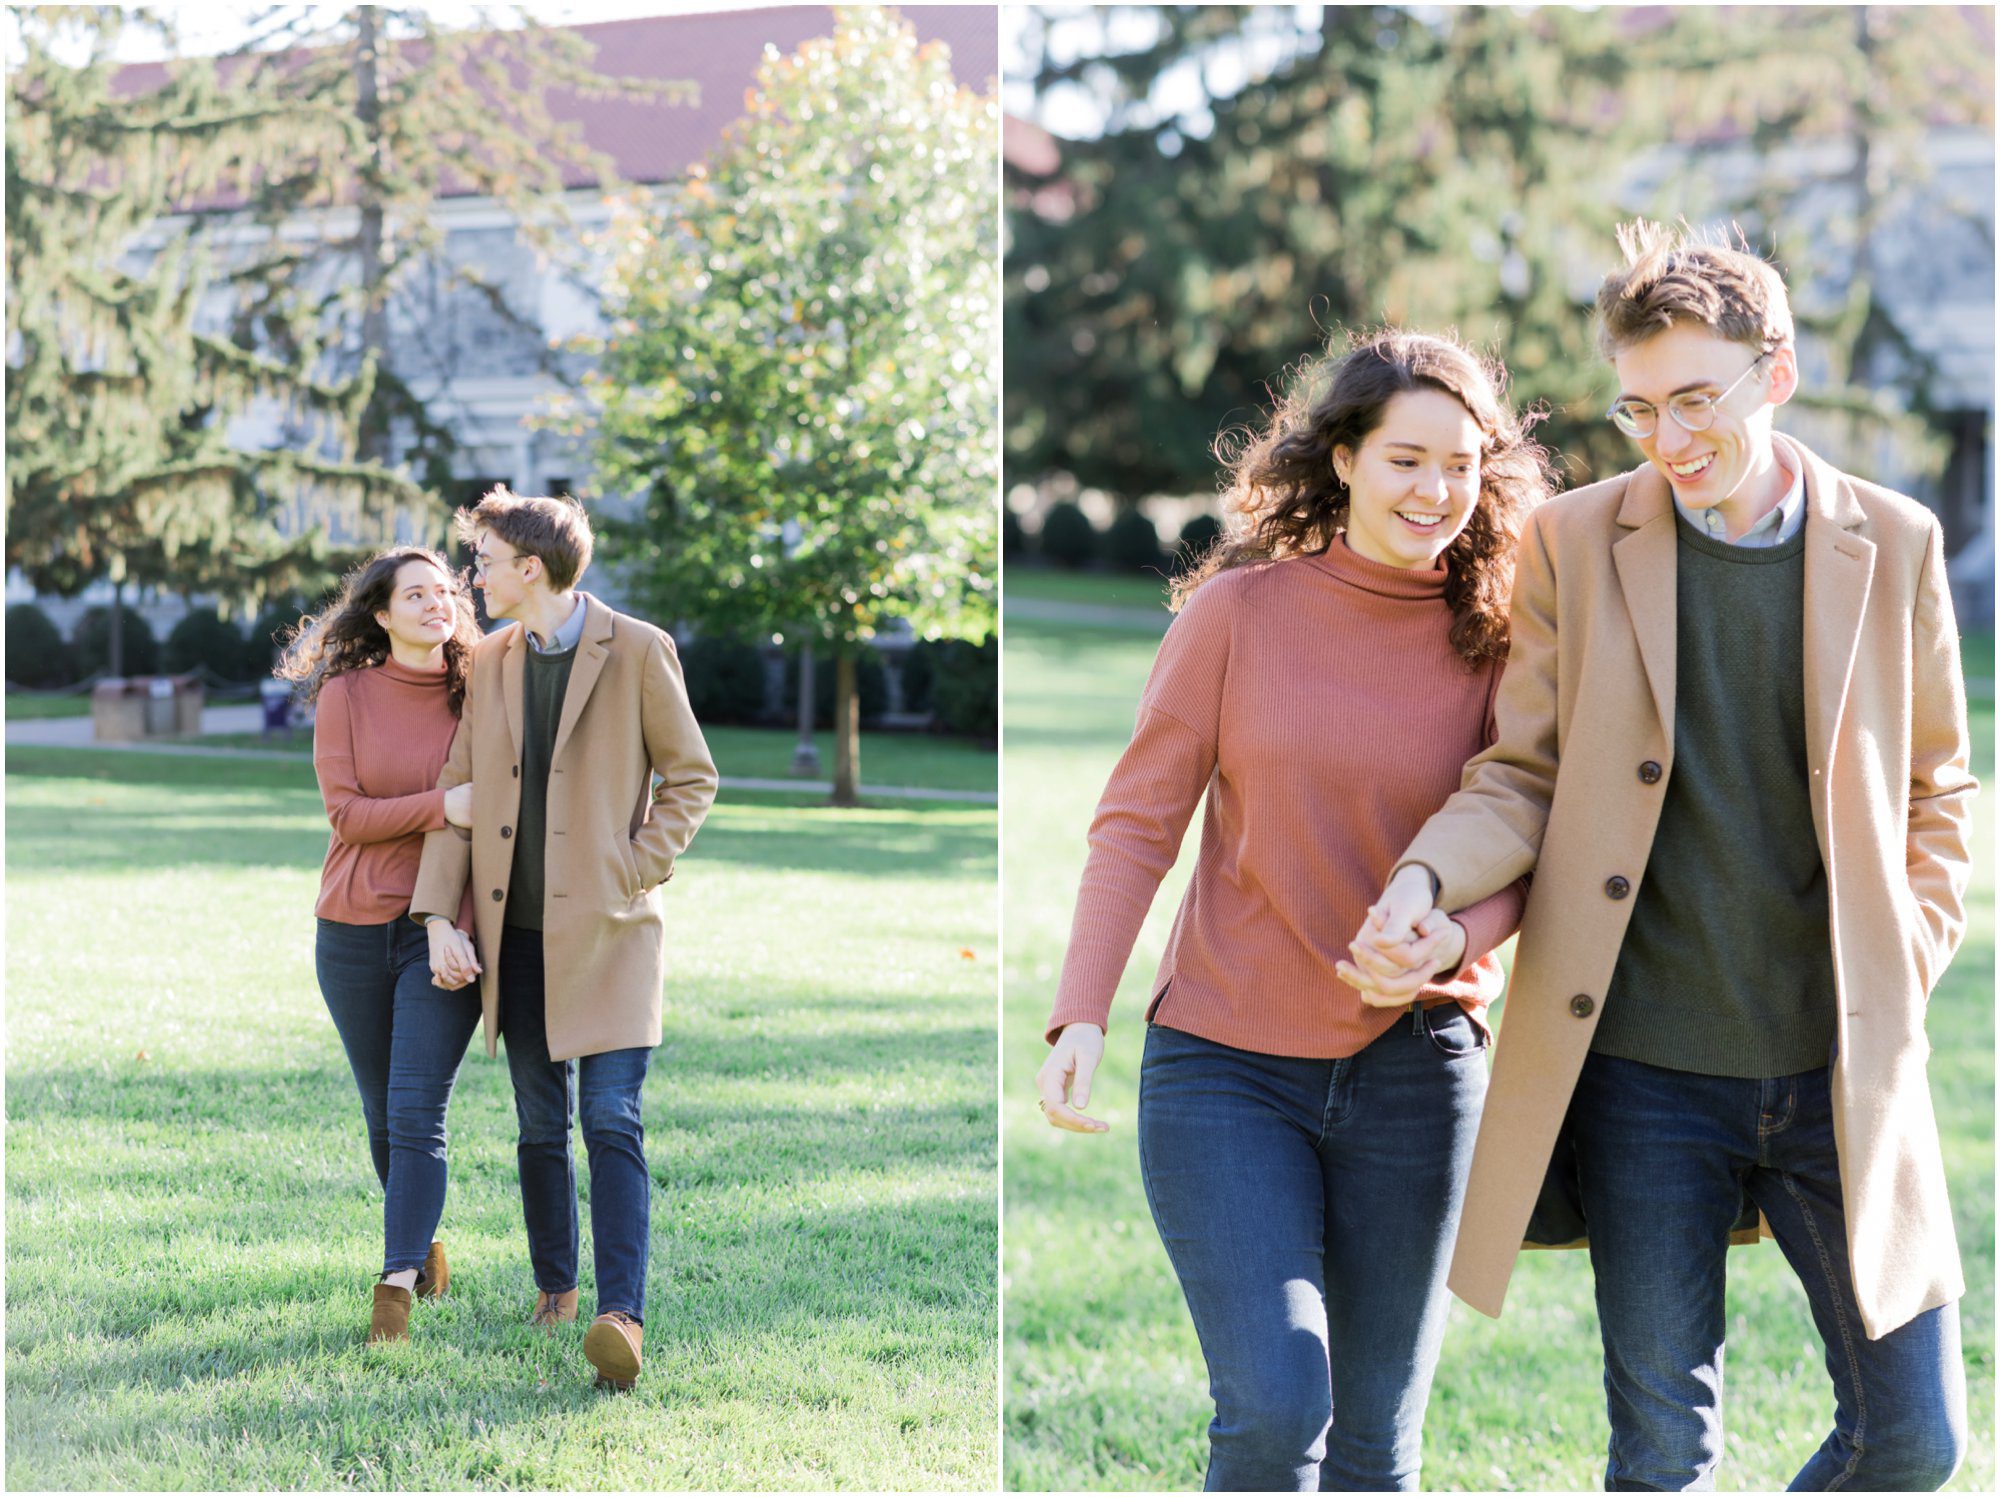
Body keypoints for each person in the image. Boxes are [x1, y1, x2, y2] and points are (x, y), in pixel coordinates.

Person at [1349, 222, 1976, 1490]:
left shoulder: (1894, 541)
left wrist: (1906, 952)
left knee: (1911, 1437)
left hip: (1838, 1068)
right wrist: (1421, 881)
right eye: (1638, 410)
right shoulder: (1574, 545)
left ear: (1774, 376)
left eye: (1696, 401)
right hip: (1642, 1078)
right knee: (1658, 1457)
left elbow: (1936, 789)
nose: (1669, 441)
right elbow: (1519, 774)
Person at [1035, 330, 1549, 1491]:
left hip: (1420, 1068)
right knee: (1274, 1411)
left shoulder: (1503, 638)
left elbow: (1528, 838)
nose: (1435, 491)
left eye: (1461, 466)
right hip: (1224, 1065)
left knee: (1374, 1450)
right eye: (1406, 459)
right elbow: (1135, 826)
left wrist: (1454, 937)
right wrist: (1080, 1015)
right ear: (1345, 459)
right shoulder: (1237, 614)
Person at [409, 487, 718, 1392]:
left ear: (530, 567)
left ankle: (620, 1314)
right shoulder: (494, 659)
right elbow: (458, 792)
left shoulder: (638, 648)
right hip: (517, 938)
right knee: (540, 1124)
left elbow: (692, 777)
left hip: (613, 934)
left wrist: (634, 867)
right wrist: (437, 915)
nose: (475, 576)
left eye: (486, 561)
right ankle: (556, 1285)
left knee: (611, 1118)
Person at [279, 547, 485, 1345]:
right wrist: (445, 802)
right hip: (353, 930)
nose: (438, 603)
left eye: (447, 591)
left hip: (447, 934)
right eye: (418, 594)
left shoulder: (481, 692)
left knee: (416, 1109)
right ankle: (422, 1238)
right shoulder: (347, 695)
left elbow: (488, 825)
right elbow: (349, 816)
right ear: (381, 613)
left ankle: (396, 1281)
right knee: (380, 1112)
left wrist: (452, 920)